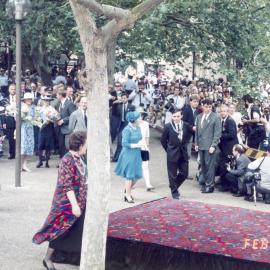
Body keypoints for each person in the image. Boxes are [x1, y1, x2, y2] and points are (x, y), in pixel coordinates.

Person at [33, 131, 88, 269]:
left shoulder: (80, 158)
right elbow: (66, 186)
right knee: (59, 231)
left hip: (79, 202)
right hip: (66, 204)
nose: (88, 146)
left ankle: (71, 257)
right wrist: (75, 206)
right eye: (86, 144)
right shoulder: (66, 160)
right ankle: (47, 259)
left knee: (76, 231)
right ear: (80, 145)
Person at [161, 109, 192, 199]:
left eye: (178, 116)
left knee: (184, 173)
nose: (176, 118)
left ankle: (173, 185)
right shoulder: (168, 126)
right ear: (172, 117)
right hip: (172, 153)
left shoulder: (186, 125)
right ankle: (174, 192)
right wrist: (169, 150)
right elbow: (163, 140)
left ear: (181, 116)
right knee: (172, 174)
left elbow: (191, 133)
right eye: (174, 116)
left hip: (183, 152)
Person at [115, 111, 143, 203]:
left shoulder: (138, 128)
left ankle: (127, 190)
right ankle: (127, 195)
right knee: (130, 175)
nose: (140, 119)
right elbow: (124, 143)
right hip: (128, 154)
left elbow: (140, 139)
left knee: (137, 175)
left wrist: (142, 145)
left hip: (137, 153)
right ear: (134, 120)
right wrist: (136, 145)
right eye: (139, 118)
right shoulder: (127, 129)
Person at [195, 98, 222, 193]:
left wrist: (213, 145)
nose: (208, 109)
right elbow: (197, 132)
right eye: (206, 107)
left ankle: (210, 186)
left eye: (210, 107)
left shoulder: (216, 117)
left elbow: (217, 133)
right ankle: (206, 183)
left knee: (210, 166)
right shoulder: (199, 117)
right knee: (203, 166)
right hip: (201, 145)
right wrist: (196, 144)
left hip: (209, 146)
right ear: (202, 106)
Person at [36, 95, 60, 168]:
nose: (46, 102)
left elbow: (57, 117)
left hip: (49, 127)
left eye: (48, 100)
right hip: (41, 127)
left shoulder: (52, 109)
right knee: (40, 144)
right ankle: (40, 161)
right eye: (45, 100)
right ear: (43, 101)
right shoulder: (39, 109)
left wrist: (51, 119)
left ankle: (46, 162)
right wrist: (39, 122)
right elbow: (36, 117)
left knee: (47, 145)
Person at [56, 87, 76, 158]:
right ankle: (63, 161)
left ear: (61, 95)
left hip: (67, 129)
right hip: (59, 129)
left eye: (57, 95)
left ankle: (68, 162)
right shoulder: (59, 104)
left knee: (67, 147)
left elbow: (73, 115)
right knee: (61, 146)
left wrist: (63, 120)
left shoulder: (69, 103)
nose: (56, 96)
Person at [137, 108, 154, 191]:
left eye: (141, 115)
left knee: (145, 166)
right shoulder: (131, 124)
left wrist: (148, 148)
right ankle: (129, 184)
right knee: (134, 167)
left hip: (144, 148)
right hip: (135, 149)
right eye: (138, 114)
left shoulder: (146, 124)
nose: (140, 116)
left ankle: (148, 184)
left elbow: (147, 137)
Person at [21, 92, 36, 172]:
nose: (29, 100)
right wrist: (23, 116)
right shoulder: (21, 106)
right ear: (25, 100)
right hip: (22, 128)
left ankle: (24, 165)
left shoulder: (33, 107)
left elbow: (35, 117)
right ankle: (20, 165)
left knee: (29, 147)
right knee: (22, 146)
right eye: (28, 99)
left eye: (30, 99)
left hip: (30, 128)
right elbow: (17, 118)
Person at [2, 84, 16, 159]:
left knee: (18, 138)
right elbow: (3, 112)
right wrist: (3, 122)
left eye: (14, 89)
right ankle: (11, 153)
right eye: (12, 89)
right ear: (9, 90)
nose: (13, 90)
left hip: (18, 120)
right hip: (9, 120)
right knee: (10, 138)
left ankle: (18, 154)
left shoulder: (19, 99)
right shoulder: (4, 100)